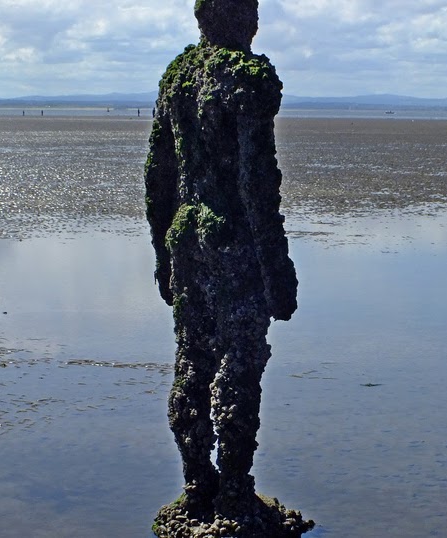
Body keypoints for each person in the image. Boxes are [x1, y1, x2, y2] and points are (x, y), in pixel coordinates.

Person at [144, 0, 297, 520]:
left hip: (185, 241)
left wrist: (162, 254)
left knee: (191, 359)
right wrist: (278, 270)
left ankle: (196, 485)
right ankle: (232, 492)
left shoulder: (177, 78)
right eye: (249, 10)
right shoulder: (247, 79)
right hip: (234, 244)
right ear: (237, 17)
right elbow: (257, 184)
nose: (253, 21)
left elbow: (158, 178)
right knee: (239, 363)